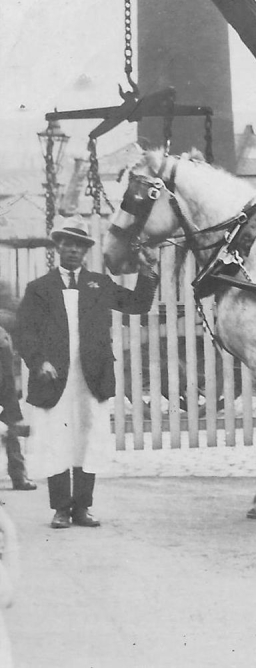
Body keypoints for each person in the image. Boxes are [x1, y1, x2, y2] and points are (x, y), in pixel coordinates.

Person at [14, 217, 159, 529]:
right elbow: (24, 332)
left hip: (90, 377)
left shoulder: (99, 284)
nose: (72, 250)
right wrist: (40, 362)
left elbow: (136, 304)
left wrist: (148, 272)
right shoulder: (39, 289)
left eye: (79, 245)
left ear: (84, 251)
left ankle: (82, 508)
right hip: (54, 380)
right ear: (58, 247)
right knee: (57, 439)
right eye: (67, 243)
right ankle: (61, 509)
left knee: (87, 439)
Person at [0, 327, 35, 491]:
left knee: (12, 434)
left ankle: (19, 475)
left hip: (6, 392)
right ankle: (19, 476)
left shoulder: (2, 334)